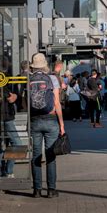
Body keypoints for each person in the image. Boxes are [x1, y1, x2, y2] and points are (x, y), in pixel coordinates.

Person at [29, 53, 65, 198]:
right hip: (51, 119)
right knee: (51, 156)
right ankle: (51, 190)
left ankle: (37, 190)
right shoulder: (51, 79)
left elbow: (26, 102)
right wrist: (61, 124)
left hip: (34, 120)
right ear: (45, 65)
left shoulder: (28, 79)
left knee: (36, 155)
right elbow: (56, 103)